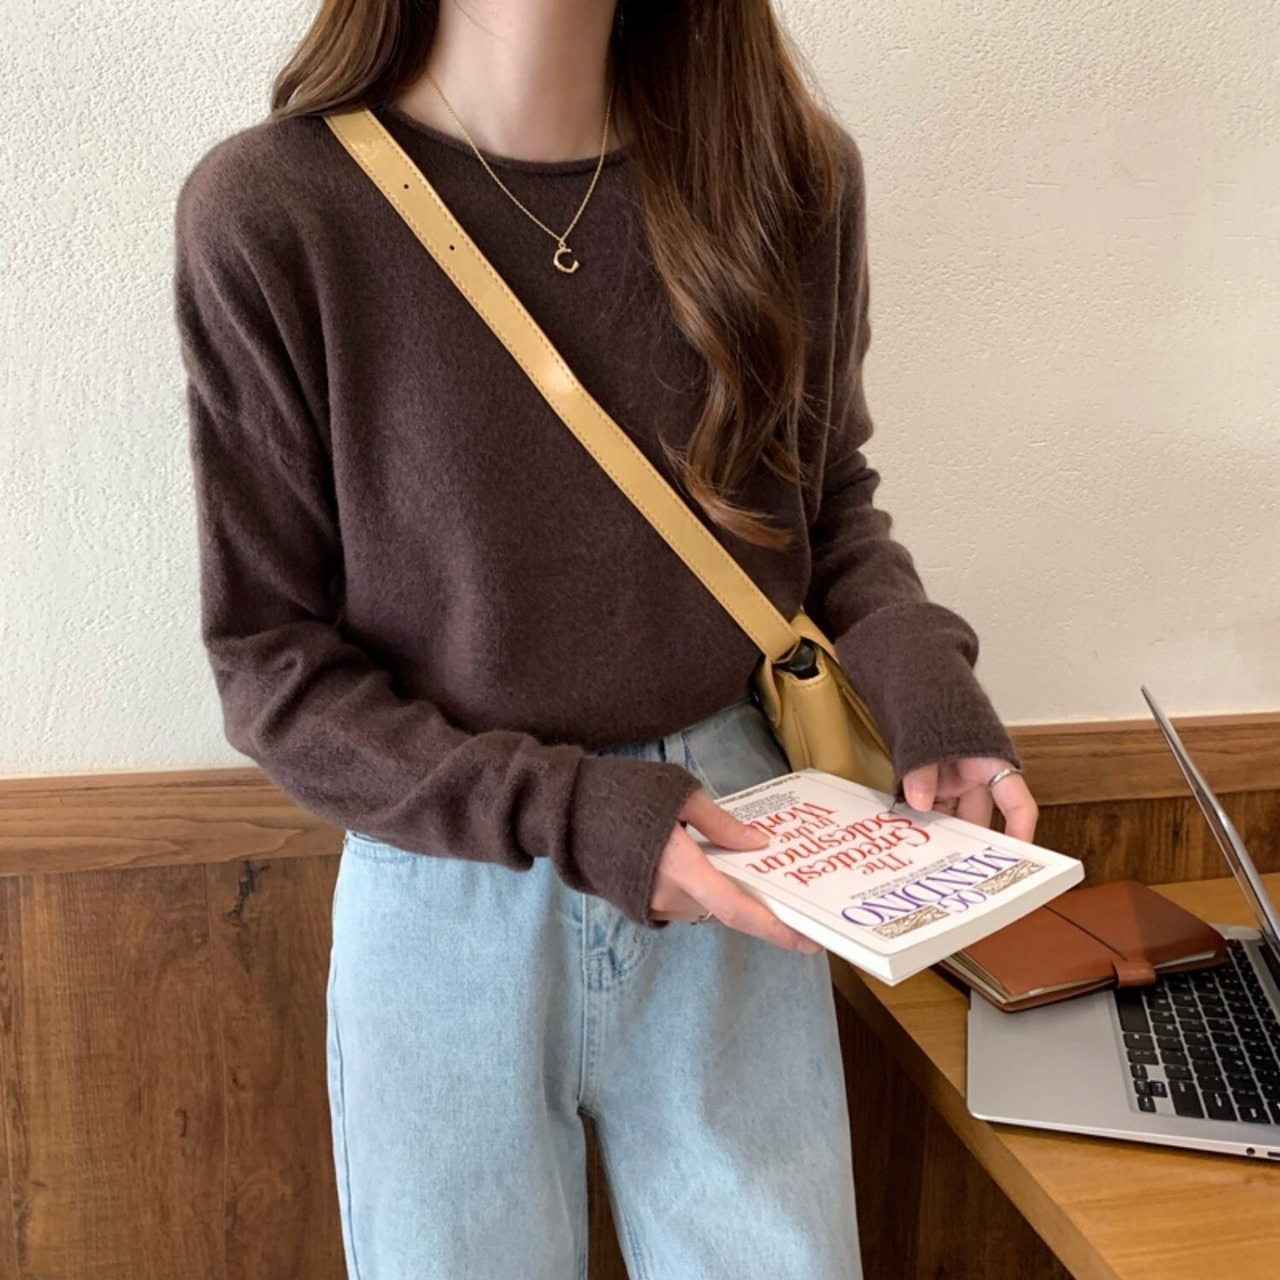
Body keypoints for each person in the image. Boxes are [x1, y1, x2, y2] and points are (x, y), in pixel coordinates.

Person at [172, 2, 1039, 1277]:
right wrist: (573, 812)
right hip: (445, 868)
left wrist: (918, 675)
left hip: (746, 844)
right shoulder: (275, 212)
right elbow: (270, 662)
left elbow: (819, 507)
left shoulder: (787, 178)